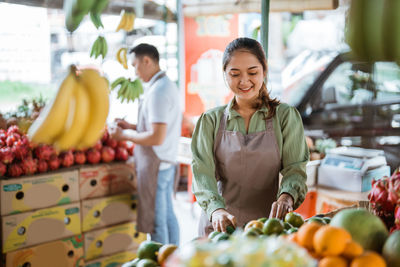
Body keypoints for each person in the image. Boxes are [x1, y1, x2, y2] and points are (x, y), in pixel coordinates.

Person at [191, 37, 309, 236]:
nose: (244, 81)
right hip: (219, 228)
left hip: (266, 228)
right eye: (235, 74)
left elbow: (295, 168)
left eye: (252, 72)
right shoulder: (210, 121)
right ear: (225, 75)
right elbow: (202, 173)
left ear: (264, 71)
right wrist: (216, 210)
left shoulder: (285, 117)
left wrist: (287, 197)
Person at [110, 43, 181, 245]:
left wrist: (125, 134)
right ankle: (174, 257)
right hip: (166, 162)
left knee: (156, 223)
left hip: (156, 166)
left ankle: (160, 259)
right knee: (168, 217)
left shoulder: (158, 91)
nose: (135, 72)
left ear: (147, 61)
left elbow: (156, 137)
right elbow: (158, 126)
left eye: (135, 65)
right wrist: (131, 125)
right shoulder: (166, 84)